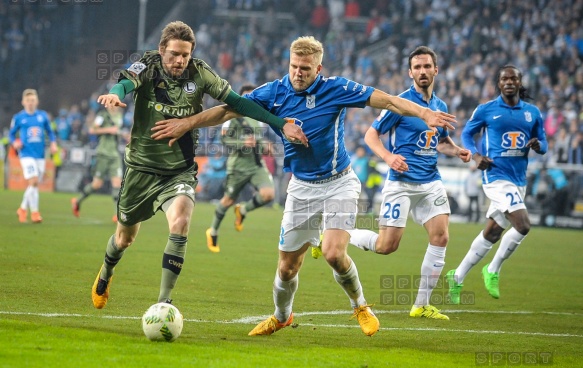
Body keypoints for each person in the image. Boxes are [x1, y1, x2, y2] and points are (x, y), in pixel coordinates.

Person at [151, 36, 457, 336]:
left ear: (318, 69)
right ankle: (281, 316)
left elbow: (388, 100)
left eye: (306, 69)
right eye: (294, 66)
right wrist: (187, 123)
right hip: (301, 188)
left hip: (340, 183)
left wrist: (423, 112)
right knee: (287, 267)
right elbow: (229, 109)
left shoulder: (336, 88)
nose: (298, 73)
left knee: (334, 253)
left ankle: (360, 306)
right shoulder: (274, 91)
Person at [90, 21, 307, 310]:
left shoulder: (200, 73)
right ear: (161, 50)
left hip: (179, 170)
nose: (179, 60)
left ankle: (163, 303)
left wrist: (280, 124)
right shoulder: (148, 65)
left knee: (180, 224)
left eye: (185, 55)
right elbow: (126, 82)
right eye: (174, 54)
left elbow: (237, 104)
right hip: (141, 168)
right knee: (124, 238)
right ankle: (105, 274)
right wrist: (117, 93)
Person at [339, 46, 471, 320]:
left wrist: (456, 150)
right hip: (401, 182)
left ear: (436, 70)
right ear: (410, 72)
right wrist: (388, 157)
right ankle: (341, 233)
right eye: (417, 67)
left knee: (441, 236)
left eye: (427, 66)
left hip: (430, 181)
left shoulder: (440, 106)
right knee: (387, 246)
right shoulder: (399, 103)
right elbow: (370, 135)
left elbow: (440, 142)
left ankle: (421, 304)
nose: (422, 71)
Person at [446, 65, 547, 304]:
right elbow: (467, 135)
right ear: (499, 83)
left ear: (520, 83)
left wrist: (538, 145)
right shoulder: (486, 110)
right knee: (523, 225)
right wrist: (475, 155)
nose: (509, 82)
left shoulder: (532, 113)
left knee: (492, 233)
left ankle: (456, 276)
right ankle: (492, 269)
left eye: (514, 78)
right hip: (495, 176)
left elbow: (543, 141)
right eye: (505, 79)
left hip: (518, 179)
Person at [206, 85, 276, 253]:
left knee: (268, 195)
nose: (250, 99)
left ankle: (243, 210)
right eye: (247, 96)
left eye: (252, 96)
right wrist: (241, 144)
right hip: (238, 166)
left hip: (256, 165)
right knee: (228, 200)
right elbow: (223, 141)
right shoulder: (232, 116)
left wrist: (265, 146)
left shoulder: (258, 118)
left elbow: (257, 140)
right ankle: (213, 230)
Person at [9, 89, 58, 223]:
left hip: (40, 155)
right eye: (28, 101)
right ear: (23, 102)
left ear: (37, 101)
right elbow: (11, 134)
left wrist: (53, 144)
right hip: (26, 154)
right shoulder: (18, 117)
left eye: (32, 100)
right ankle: (35, 212)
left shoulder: (42, 116)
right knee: (34, 181)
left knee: (34, 184)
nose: (30, 103)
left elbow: (50, 131)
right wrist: (15, 142)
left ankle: (23, 208)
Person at [71, 105, 123, 222]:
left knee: (117, 183)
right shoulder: (102, 116)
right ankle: (77, 201)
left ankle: (116, 214)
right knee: (97, 184)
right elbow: (92, 130)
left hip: (114, 154)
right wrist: (109, 130)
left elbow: (117, 131)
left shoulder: (119, 115)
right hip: (103, 153)